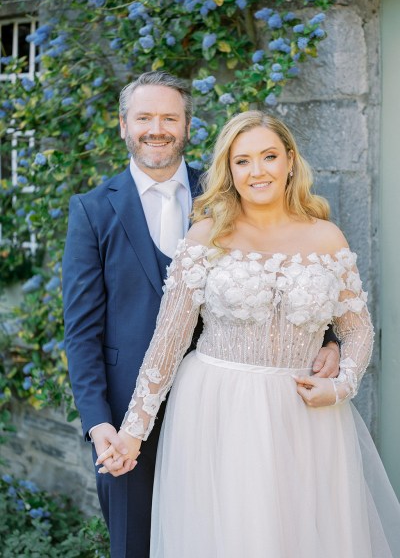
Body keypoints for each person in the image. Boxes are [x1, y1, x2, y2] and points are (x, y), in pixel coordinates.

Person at [97, 110, 400, 558]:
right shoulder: (206, 237)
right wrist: (132, 433)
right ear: (229, 171)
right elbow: (167, 344)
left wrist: (340, 385)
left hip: (306, 416)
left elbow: (357, 330)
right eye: (243, 161)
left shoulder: (327, 237)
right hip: (220, 410)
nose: (257, 171)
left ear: (290, 161)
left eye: (269, 156)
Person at [63, 74, 339, 558]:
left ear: (188, 126)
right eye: (144, 117)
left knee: (237, 534)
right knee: (134, 544)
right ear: (123, 125)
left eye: (170, 117)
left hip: (228, 407)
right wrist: (97, 421)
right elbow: (82, 329)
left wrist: (332, 339)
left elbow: (291, 266)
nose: (157, 128)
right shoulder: (92, 211)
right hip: (129, 409)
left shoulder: (231, 190)